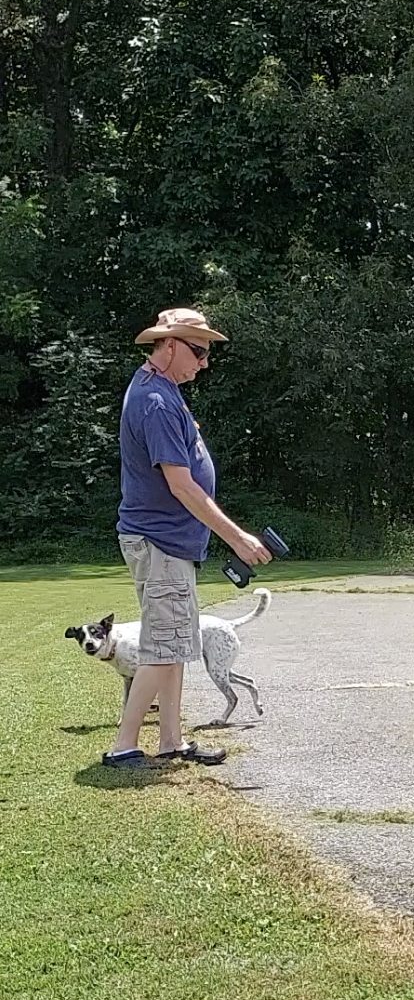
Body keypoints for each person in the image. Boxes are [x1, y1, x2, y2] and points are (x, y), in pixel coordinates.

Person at [103, 307, 272, 768]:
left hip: (167, 544)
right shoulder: (155, 402)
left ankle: (172, 741)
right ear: (169, 344)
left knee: (174, 642)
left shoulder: (163, 391)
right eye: (198, 350)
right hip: (159, 543)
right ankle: (123, 747)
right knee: (162, 648)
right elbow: (181, 484)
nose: (204, 361)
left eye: (207, 352)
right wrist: (236, 537)